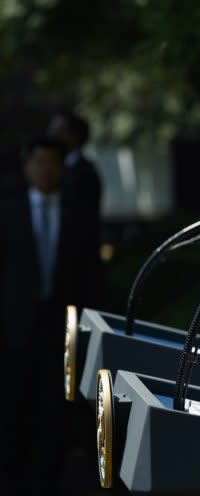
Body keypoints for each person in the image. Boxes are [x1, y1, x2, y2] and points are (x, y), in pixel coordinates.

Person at [0, 136, 101, 494]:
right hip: (14, 330)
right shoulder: (8, 211)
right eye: (39, 162)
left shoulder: (80, 214)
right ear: (27, 166)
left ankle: (48, 482)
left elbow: (91, 278)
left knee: (55, 414)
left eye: (52, 162)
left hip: (62, 330)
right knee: (12, 411)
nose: (45, 170)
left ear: (62, 167)